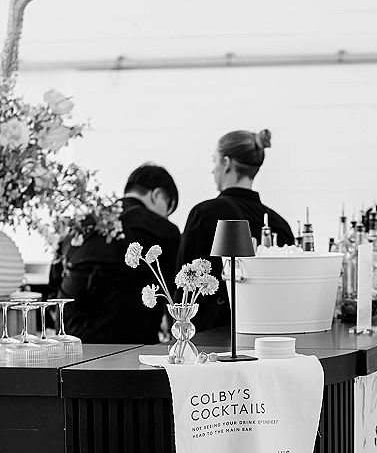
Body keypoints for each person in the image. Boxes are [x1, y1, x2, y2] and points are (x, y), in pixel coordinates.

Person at [175, 129, 294, 331]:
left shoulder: (205, 213)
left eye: (215, 161)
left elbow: (186, 285)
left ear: (226, 163)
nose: (213, 170)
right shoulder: (279, 224)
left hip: (213, 341)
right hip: (273, 337)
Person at [49, 163, 181, 343]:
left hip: (69, 338)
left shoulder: (82, 222)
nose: (165, 217)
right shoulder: (163, 229)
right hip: (127, 343)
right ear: (157, 194)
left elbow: (55, 280)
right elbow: (173, 291)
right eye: (168, 208)